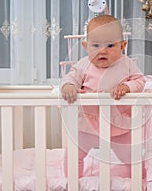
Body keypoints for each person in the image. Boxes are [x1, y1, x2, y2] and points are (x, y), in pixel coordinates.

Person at [61, 15, 145, 178]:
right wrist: (69, 86)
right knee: (73, 156)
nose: (102, 50)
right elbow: (70, 77)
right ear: (86, 46)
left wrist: (126, 87)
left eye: (110, 45)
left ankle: (140, 182)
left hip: (118, 125)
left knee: (132, 158)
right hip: (87, 124)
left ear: (122, 45)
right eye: (96, 45)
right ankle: (72, 183)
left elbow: (140, 80)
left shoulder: (126, 64)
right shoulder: (83, 64)